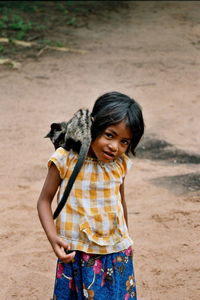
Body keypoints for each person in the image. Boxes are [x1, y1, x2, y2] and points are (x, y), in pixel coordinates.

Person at [37, 91, 144, 300]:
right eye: (110, 135)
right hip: (75, 253)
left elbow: (120, 203)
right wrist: (53, 239)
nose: (115, 147)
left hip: (114, 254)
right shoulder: (66, 160)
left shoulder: (119, 165)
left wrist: (126, 241)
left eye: (125, 142)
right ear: (94, 126)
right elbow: (43, 201)